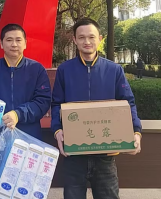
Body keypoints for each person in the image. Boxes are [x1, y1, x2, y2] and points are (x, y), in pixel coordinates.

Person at [51, 18, 142, 199]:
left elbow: (128, 102)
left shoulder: (114, 70)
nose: (87, 41)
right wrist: (57, 130)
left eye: (91, 37)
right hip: (74, 153)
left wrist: (136, 131)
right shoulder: (65, 70)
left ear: (100, 39)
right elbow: (56, 104)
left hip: (106, 154)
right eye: (81, 37)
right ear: (74, 40)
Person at [0, 23, 51, 147]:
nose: (14, 44)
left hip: (28, 139)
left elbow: (43, 101)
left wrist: (17, 114)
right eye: (9, 40)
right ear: (1, 44)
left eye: (18, 40)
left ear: (25, 43)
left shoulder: (36, 69)